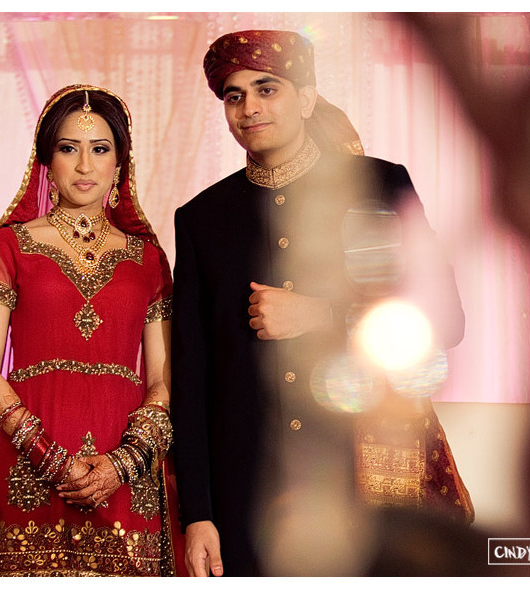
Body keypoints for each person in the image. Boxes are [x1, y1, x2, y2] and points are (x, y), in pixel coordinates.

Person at [171, 30, 474, 577]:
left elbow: (443, 317)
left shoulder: (378, 185)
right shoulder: (202, 218)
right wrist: (198, 514)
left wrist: (320, 314)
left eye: (267, 89)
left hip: (366, 479)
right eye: (235, 96)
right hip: (247, 495)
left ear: (307, 99)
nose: (249, 107)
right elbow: (192, 379)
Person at [0, 85, 183, 576]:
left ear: (119, 164)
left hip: (123, 475)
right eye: (68, 148)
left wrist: (123, 464)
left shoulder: (148, 259)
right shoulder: (8, 247)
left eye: (100, 149)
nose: (84, 165)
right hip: (29, 468)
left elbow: (163, 379)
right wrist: (52, 459)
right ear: (46, 161)